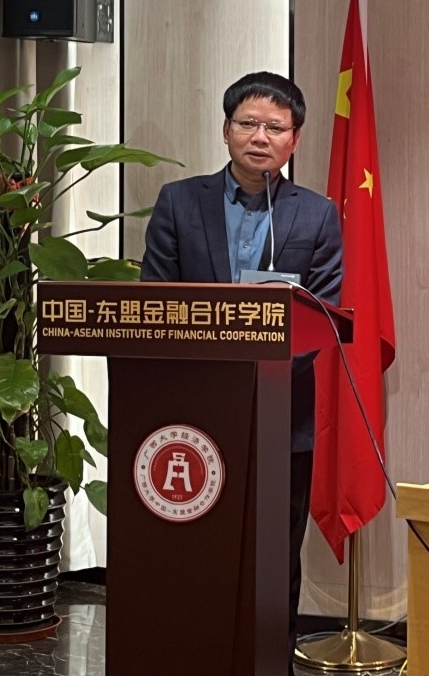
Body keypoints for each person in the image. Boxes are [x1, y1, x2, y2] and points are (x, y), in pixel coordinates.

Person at [140, 71, 344, 667]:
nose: (260, 137)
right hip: (195, 413)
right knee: (194, 547)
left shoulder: (317, 215)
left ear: (294, 140)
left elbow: (324, 315)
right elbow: (157, 300)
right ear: (226, 130)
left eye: (275, 127)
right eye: (248, 123)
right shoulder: (180, 202)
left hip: (283, 414)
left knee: (276, 554)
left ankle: (272, 660)